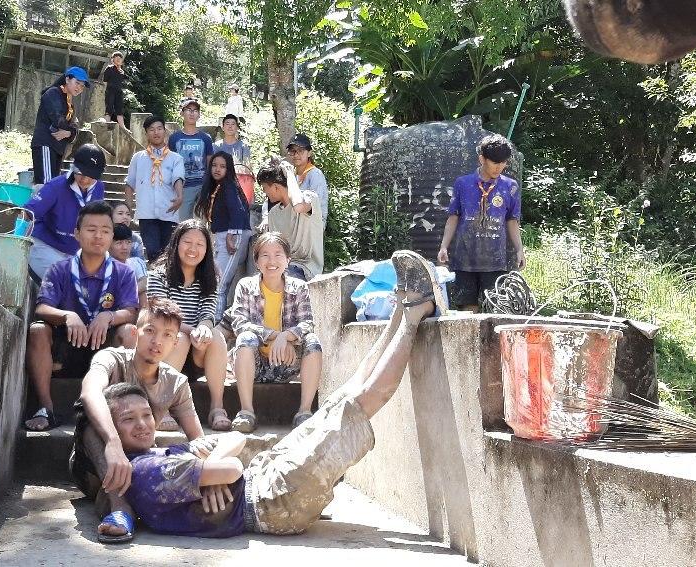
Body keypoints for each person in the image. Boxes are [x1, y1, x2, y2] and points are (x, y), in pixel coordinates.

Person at [94, 250, 440, 541]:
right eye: (128, 419)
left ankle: (399, 312)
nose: (142, 424)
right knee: (357, 406)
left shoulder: (160, 451)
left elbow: (232, 443)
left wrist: (210, 474)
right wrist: (212, 472)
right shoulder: (144, 470)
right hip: (272, 502)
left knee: (340, 400)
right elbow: (228, 465)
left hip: (264, 475)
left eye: (144, 414)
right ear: (113, 430)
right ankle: (414, 315)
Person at [69, 297, 220, 543]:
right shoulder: (111, 358)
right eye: (150, 331)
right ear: (134, 332)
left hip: (138, 461)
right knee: (88, 418)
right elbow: (89, 392)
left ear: (175, 342)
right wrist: (113, 443)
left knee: (192, 451)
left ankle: (125, 503)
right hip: (94, 463)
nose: (157, 341)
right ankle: (119, 508)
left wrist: (212, 476)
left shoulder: (176, 383)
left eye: (167, 335)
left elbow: (198, 439)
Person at [24, 201, 140, 431]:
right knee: (38, 329)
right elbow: (42, 308)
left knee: (129, 332)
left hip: (104, 347)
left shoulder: (124, 272)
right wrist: (68, 316)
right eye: (91, 229)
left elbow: (131, 311)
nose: (98, 236)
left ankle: (119, 409)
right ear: (77, 233)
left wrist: (108, 316)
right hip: (65, 348)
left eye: (106, 230)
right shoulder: (60, 269)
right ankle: (45, 407)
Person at [229, 232, 321, 432]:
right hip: (256, 363)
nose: (272, 261)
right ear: (256, 261)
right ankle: (246, 412)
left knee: (312, 341)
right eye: (265, 255)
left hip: (287, 364)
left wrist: (287, 336)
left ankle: (304, 412)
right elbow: (239, 322)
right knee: (245, 338)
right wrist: (275, 335)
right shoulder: (245, 286)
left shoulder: (299, 287)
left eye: (278, 255)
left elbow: (307, 323)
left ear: (287, 260)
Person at [146, 219, 230, 431]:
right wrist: (191, 331)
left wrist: (202, 328)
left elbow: (208, 313)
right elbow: (161, 315)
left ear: (207, 249)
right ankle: (161, 407)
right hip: (163, 350)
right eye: (187, 242)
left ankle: (217, 407)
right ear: (176, 243)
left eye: (200, 244)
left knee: (216, 336)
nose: (193, 249)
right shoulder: (158, 275)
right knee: (179, 338)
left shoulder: (210, 277)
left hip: (196, 352)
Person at [437, 134, 525, 312]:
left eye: (503, 163)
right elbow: (453, 216)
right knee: (467, 312)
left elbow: (512, 220)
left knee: (495, 309)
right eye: (494, 162)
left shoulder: (511, 186)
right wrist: (444, 246)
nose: (499, 167)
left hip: (495, 261)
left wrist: (519, 250)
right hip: (465, 259)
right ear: (482, 159)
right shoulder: (463, 183)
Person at [25, 144, 107, 281]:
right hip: (45, 247)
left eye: (91, 176)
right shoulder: (56, 186)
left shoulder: (98, 188)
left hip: (74, 253)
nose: (85, 180)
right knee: (66, 282)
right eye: (80, 173)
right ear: (74, 167)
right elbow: (28, 212)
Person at [193, 151, 251, 320]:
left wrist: (232, 233)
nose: (217, 169)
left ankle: (215, 323)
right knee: (216, 280)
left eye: (222, 166)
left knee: (219, 283)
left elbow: (238, 210)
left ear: (229, 169)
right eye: (214, 165)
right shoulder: (218, 187)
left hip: (233, 234)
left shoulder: (229, 186)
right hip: (222, 235)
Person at [125, 115, 185, 262]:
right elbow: (129, 183)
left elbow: (177, 177)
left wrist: (179, 196)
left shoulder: (175, 158)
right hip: (146, 213)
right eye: (151, 129)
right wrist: (128, 207)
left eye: (159, 129)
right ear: (146, 133)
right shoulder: (138, 158)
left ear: (165, 131)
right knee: (152, 250)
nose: (156, 132)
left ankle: (164, 282)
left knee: (168, 253)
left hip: (169, 211)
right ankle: (154, 281)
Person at [258, 158, 325, 281]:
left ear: (276, 187)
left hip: (305, 268)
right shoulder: (273, 214)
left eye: (264, 188)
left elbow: (298, 206)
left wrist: (289, 173)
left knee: (284, 279)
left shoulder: (309, 198)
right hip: (282, 266)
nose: (264, 192)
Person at [31, 66, 90, 185]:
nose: (79, 88)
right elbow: (58, 120)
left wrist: (69, 133)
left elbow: (74, 129)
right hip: (46, 145)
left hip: (57, 149)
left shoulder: (70, 104)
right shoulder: (53, 93)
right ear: (67, 79)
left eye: (82, 86)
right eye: (77, 83)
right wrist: (70, 132)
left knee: (51, 186)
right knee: (46, 186)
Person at [168, 98, 214, 221]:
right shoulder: (174, 138)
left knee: (201, 223)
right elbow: (170, 163)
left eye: (195, 110)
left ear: (199, 115)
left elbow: (210, 162)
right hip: (183, 187)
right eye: (188, 110)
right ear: (182, 113)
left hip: (202, 186)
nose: (192, 113)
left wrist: (210, 185)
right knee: (183, 223)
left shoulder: (205, 138)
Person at [285, 133, 329, 224]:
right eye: (292, 151)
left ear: (309, 153)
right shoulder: (291, 175)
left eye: (300, 151)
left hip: (312, 228)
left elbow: (310, 207)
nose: (296, 155)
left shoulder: (315, 174)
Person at [111, 223, 149, 309]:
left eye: (128, 242)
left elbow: (144, 283)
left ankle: (143, 320)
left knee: (143, 294)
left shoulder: (136, 262)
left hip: (131, 303)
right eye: (119, 243)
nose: (125, 247)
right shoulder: (104, 265)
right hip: (109, 305)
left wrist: (125, 293)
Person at [102, 51, 127, 130]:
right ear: (113, 60)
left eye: (120, 59)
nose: (118, 60)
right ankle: (106, 125)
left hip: (118, 92)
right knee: (109, 109)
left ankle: (123, 127)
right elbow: (105, 81)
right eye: (116, 58)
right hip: (110, 91)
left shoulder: (122, 72)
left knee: (119, 109)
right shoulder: (109, 68)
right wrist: (105, 91)